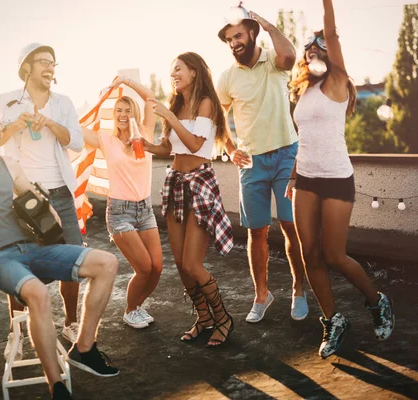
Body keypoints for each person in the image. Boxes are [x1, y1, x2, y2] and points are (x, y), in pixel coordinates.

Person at [0, 30, 119, 399]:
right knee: (37, 292)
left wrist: (46, 205)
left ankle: (83, 346)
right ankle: (57, 387)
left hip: (28, 246)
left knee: (106, 263)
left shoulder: (7, 165)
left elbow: (33, 189)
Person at [287, 0, 395, 358]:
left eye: (321, 48)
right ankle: (333, 320)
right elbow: (305, 138)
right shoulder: (303, 91)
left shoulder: (338, 80)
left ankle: (376, 301)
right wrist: (292, 175)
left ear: (329, 55)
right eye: (310, 50)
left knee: (334, 255)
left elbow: (331, 32)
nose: (315, 53)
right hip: (305, 179)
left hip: (336, 179)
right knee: (309, 255)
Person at [216, 4, 309, 323]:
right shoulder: (227, 77)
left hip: (287, 155)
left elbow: (290, 56)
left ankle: (299, 289)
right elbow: (218, 119)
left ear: (252, 33)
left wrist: (265, 23)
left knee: (290, 226)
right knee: (256, 231)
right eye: (228, 39)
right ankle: (262, 295)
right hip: (251, 163)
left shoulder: (273, 60)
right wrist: (230, 149)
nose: (233, 43)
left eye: (238, 35)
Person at [0, 43, 84, 359]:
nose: (50, 68)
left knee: (72, 260)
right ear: (27, 67)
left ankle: (71, 322)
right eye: (43, 62)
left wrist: (50, 123)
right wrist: (13, 126)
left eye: (53, 63)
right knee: (18, 264)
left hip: (60, 193)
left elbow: (77, 141)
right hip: (22, 196)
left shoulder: (63, 103)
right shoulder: (5, 102)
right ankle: (16, 332)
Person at [143, 52, 234, 348]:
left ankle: (223, 319)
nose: (173, 75)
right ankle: (204, 318)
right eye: (171, 71)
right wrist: (144, 145)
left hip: (199, 184)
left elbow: (196, 145)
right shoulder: (176, 104)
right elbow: (169, 147)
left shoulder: (206, 103)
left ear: (194, 72)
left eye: (178, 69)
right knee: (181, 266)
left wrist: (169, 117)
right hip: (176, 184)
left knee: (194, 264)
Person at [81, 77, 163, 329]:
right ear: (113, 114)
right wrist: (102, 98)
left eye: (128, 110)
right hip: (119, 212)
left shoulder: (146, 134)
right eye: (119, 110)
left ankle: (137, 306)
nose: (123, 115)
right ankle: (130, 310)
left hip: (145, 209)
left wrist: (126, 81)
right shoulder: (106, 140)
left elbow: (151, 97)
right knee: (144, 267)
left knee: (157, 267)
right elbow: (76, 130)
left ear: (134, 114)